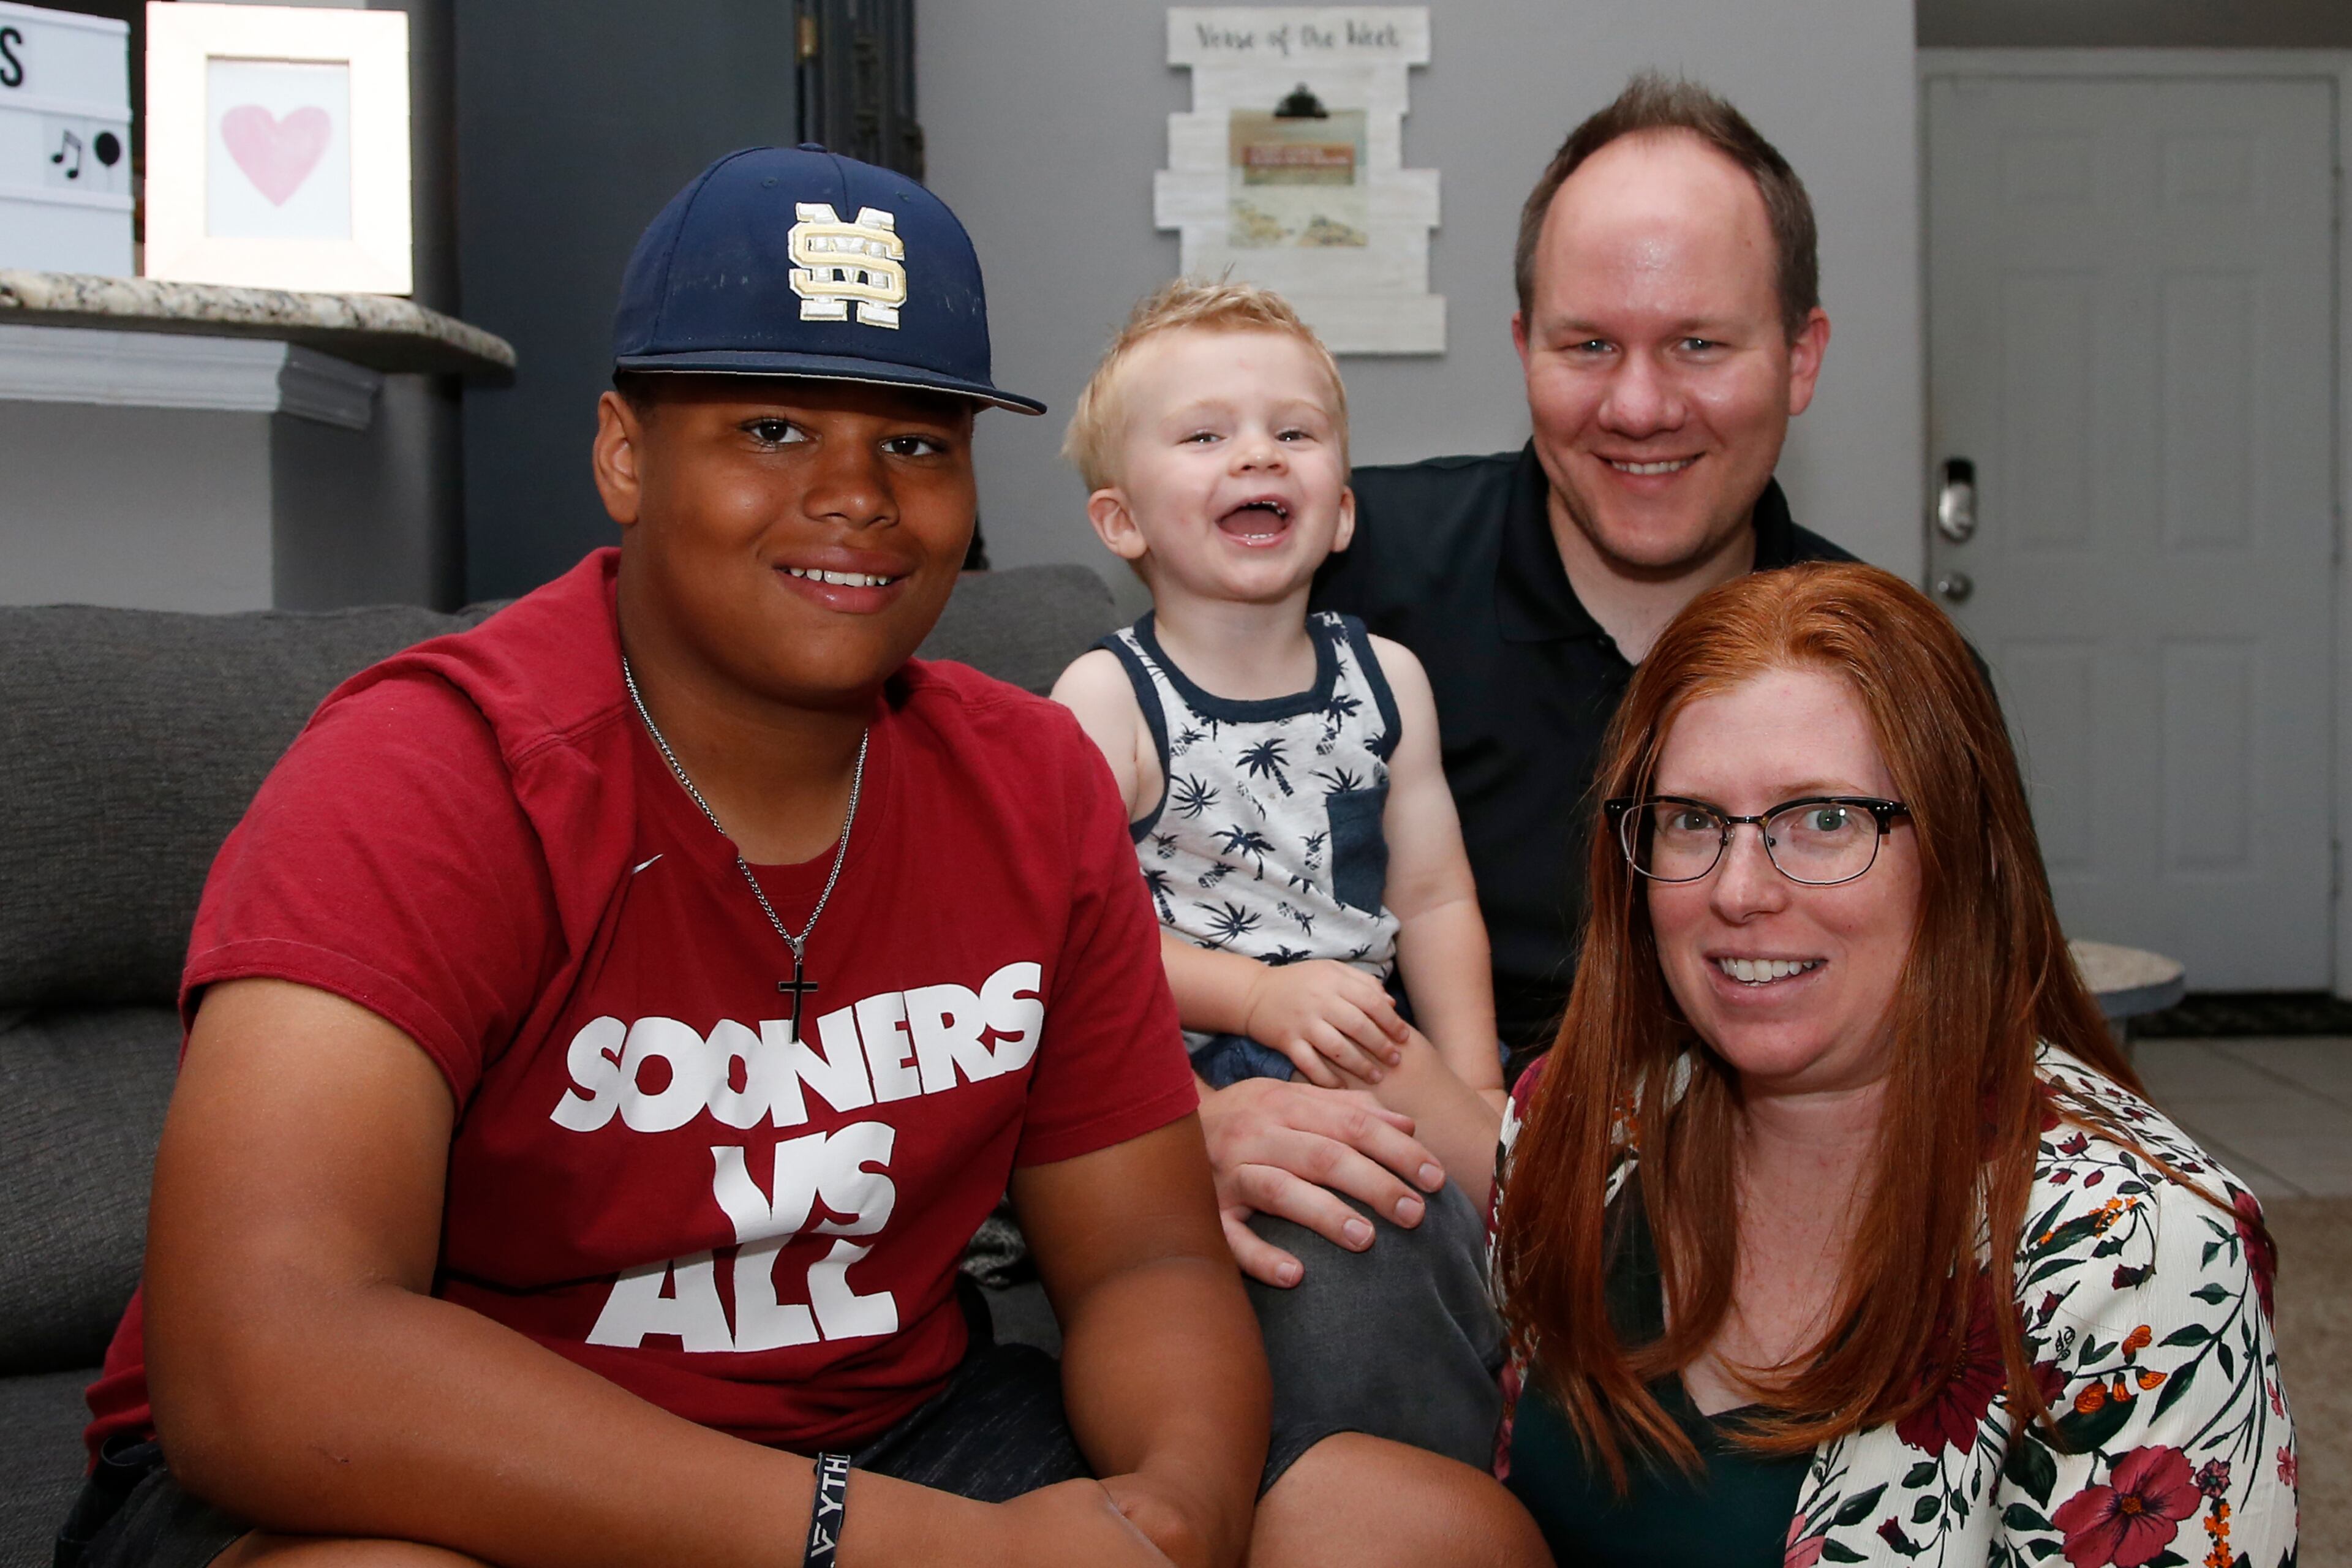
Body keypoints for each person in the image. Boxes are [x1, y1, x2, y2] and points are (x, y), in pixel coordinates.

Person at [57, 147, 1272, 1568]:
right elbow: (265, 1362)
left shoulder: (1037, 782)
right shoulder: (423, 777)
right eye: (771, 427)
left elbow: (1145, 1257)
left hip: (890, 1428)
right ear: (626, 454)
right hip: (444, 1464)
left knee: (1406, 1517)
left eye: (918, 442)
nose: (857, 494)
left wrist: (1175, 1508)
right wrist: (885, 1545)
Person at [1488, 561, 2297, 1567]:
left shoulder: (2140, 1262)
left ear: (1965, 853)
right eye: (1693, 819)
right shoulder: (1575, 1120)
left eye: (1825, 819)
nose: (1739, 890)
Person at [1314, 72, 1850, 1072]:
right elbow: (1105, 912)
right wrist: (1205, 1117)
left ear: (1799, 357)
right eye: (1590, 344)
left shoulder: (1888, 664)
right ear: (1525, 351)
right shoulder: (1332, 573)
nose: (1639, 407)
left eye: (1699, 343)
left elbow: (1978, 1016)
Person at [1053, 279, 1505, 1199]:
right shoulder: (1107, 699)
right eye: (1205, 435)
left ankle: (1531, 1237)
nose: (1258, 453)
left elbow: (1434, 898)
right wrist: (1258, 997)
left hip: (1377, 1032)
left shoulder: (1388, 679)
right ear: (1122, 521)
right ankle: (1533, 1238)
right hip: (1202, 1057)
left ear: (1340, 512)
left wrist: (1480, 1083)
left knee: (1442, 1109)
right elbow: (1083, 938)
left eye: (1293, 433)